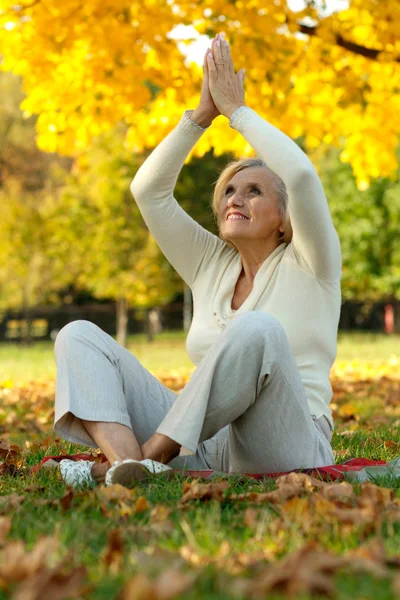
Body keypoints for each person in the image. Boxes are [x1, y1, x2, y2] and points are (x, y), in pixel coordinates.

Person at [55, 33, 342, 488]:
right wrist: (200, 118)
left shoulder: (312, 263)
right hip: (206, 445)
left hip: (288, 440)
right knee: (79, 337)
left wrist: (237, 113)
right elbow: (147, 191)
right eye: (229, 190)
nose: (236, 198)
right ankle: (128, 468)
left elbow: (303, 177)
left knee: (258, 328)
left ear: (285, 220)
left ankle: (150, 459)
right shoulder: (211, 263)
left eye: (254, 191)